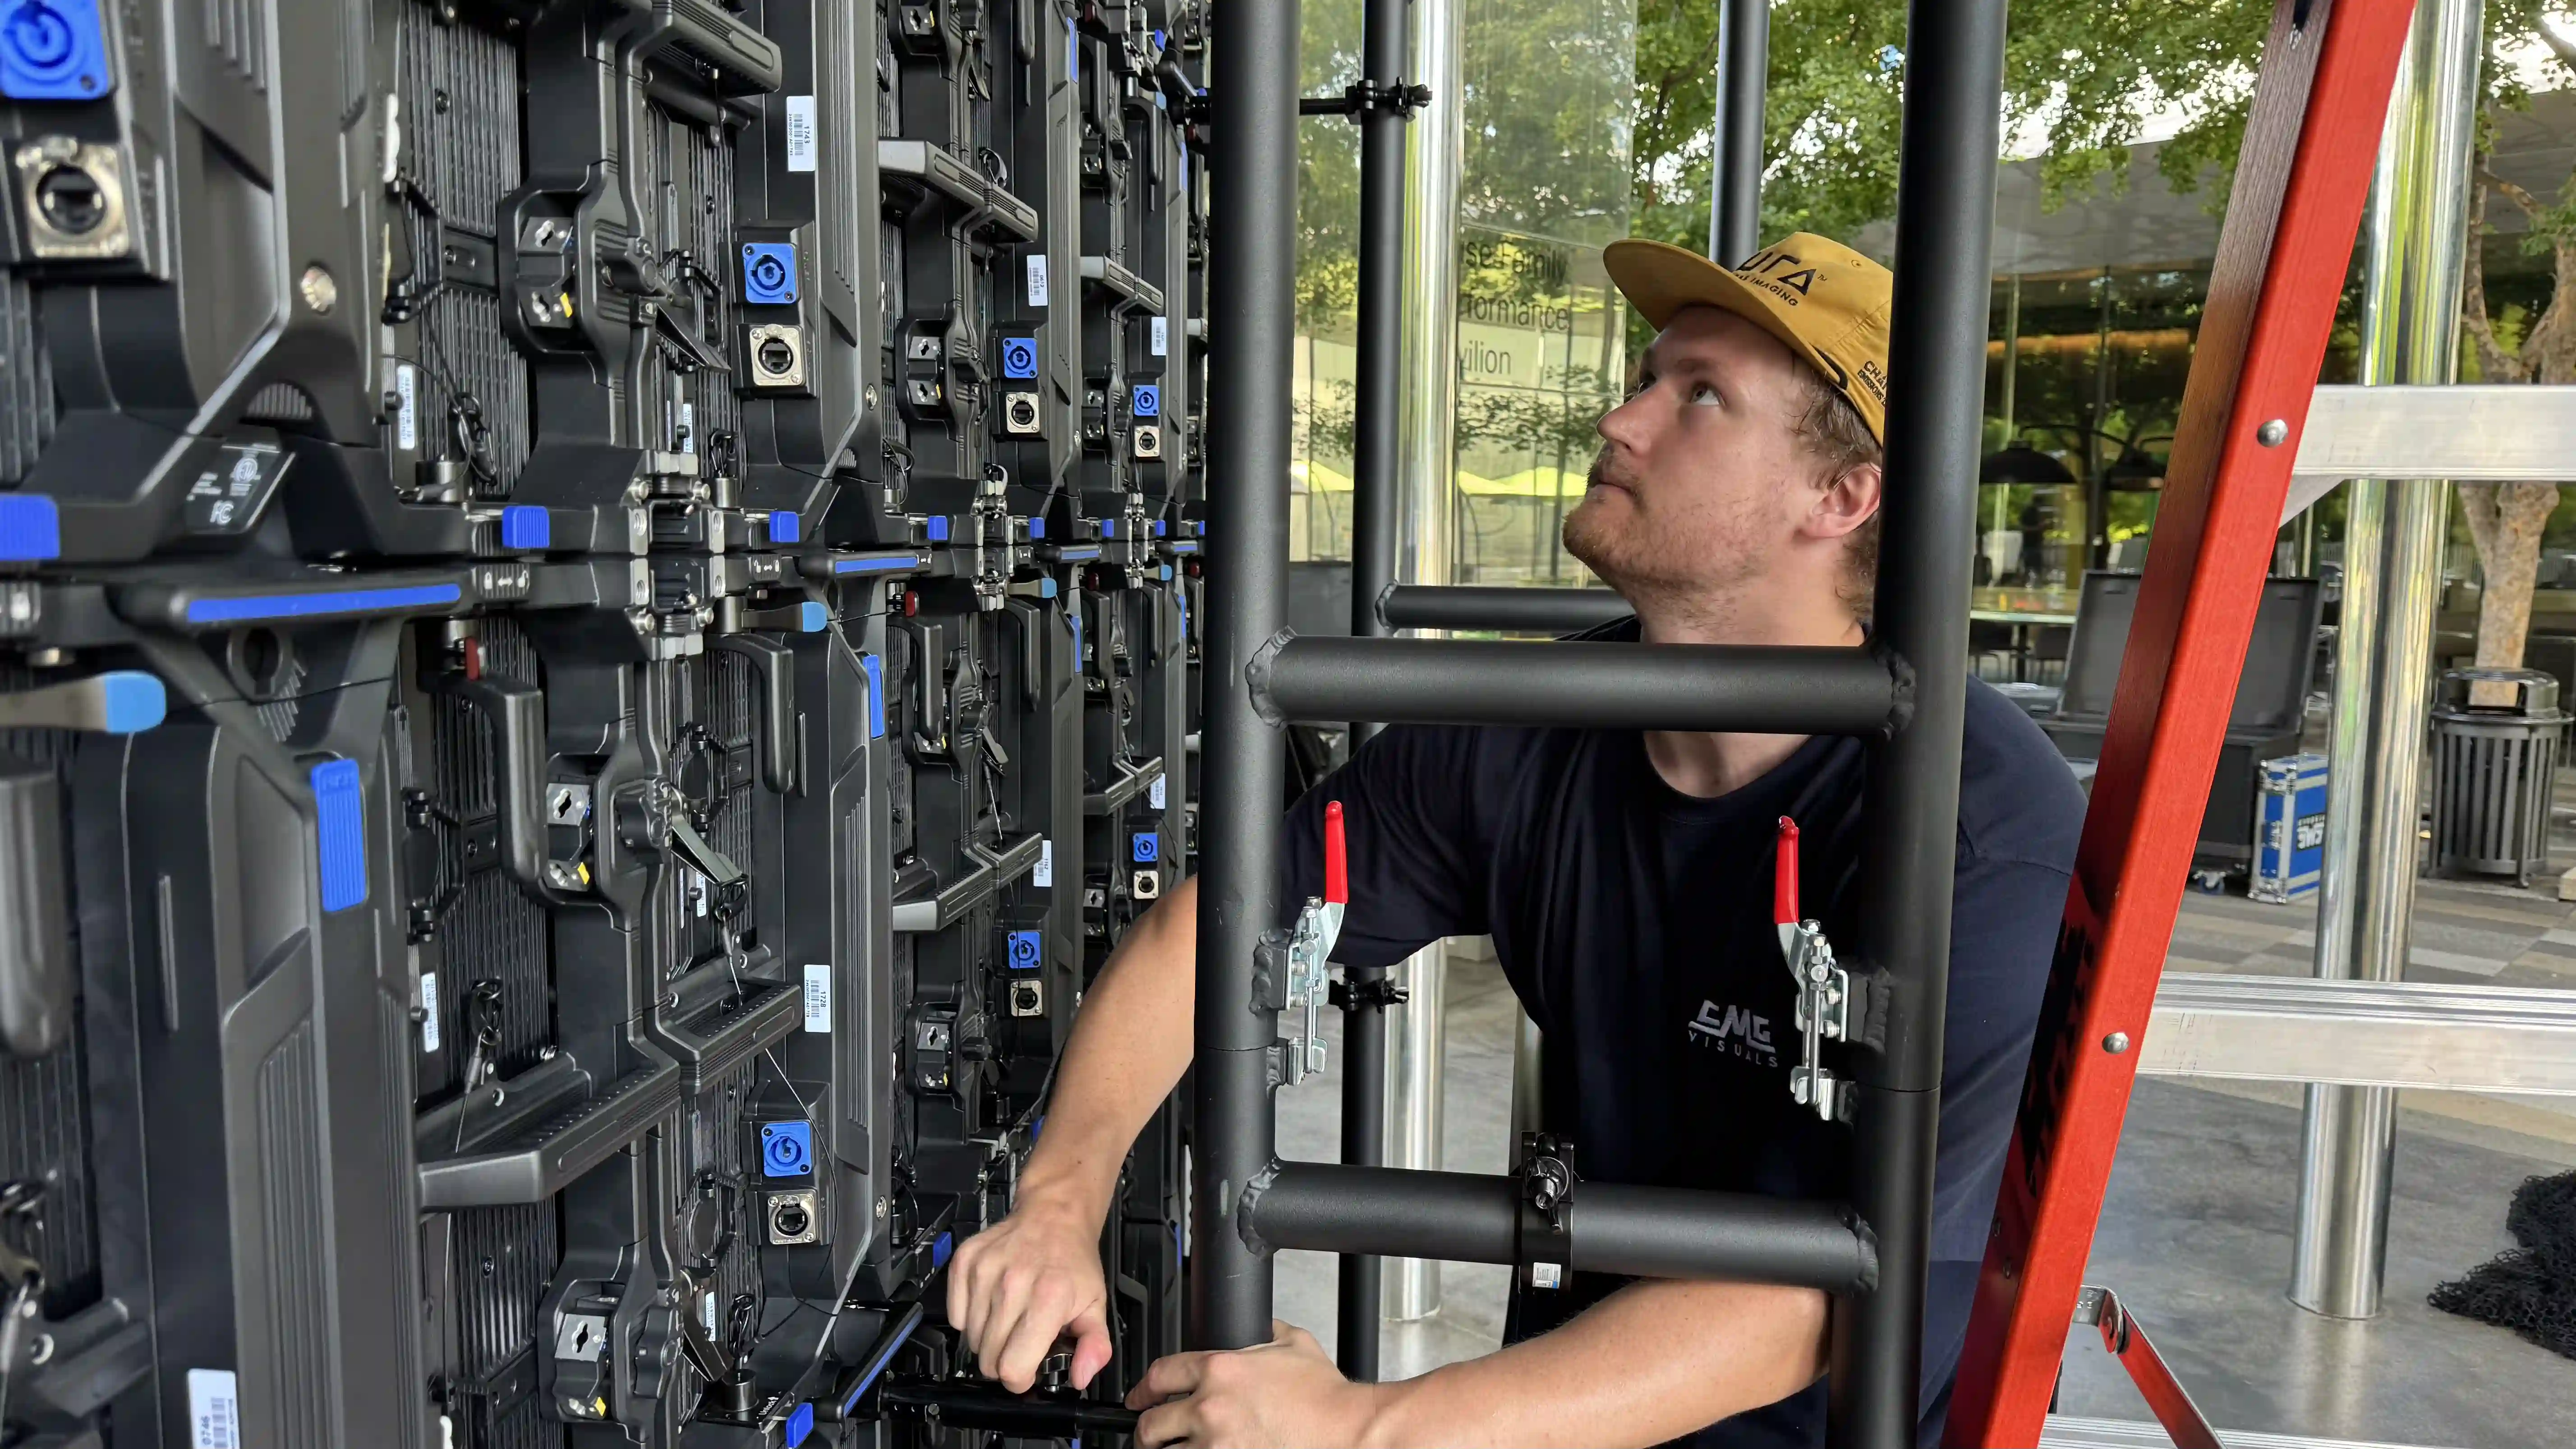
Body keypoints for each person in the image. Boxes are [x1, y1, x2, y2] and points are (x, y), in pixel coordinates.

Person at [946, 234, 2088, 1449]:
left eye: (1700, 393)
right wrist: (1059, 1199)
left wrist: (1367, 1426)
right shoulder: (1538, 732)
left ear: (1841, 495)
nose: (1624, 415)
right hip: (1574, 1400)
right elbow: (1221, 930)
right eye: (1651, 375)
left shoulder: (1976, 828)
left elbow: (1813, 1292)